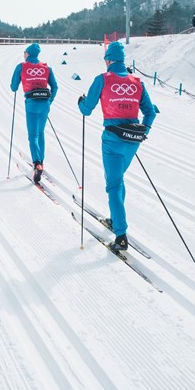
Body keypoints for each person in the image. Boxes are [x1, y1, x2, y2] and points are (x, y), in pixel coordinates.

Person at [78, 41, 158, 252]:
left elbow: (86, 110)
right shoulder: (137, 82)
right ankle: (115, 217)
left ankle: (121, 235)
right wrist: (143, 132)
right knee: (117, 180)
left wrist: (80, 102)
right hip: (132, 142)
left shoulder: (102, 79)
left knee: (113, 185)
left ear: (109, 59)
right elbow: (150, 112)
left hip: (112, 140)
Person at [10, 43, 58, 183]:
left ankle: (37, 163)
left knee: (32, 136)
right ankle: (41, 161)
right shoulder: (46, 68)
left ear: (28, 54)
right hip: (44, 103)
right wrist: (50, 101)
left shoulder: (21, 66)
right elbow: (55, 86)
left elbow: (13, 87)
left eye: (24, 52)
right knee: (40, 132)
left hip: (31, 103)